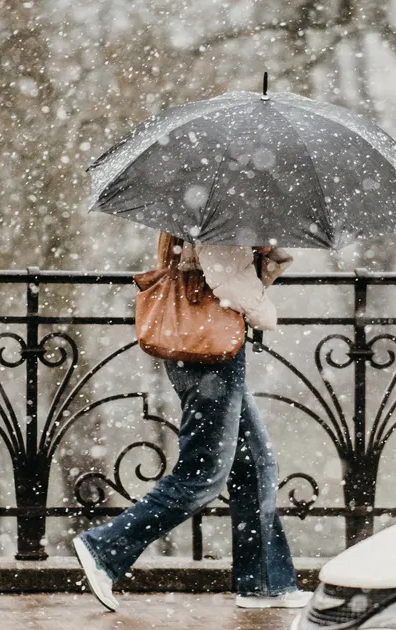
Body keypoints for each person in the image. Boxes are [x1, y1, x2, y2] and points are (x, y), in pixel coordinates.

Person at [72, 232, 310, 611]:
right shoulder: (224, 210)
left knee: (254, 464)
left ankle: (265, 583)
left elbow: (220, 269)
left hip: (205, 341)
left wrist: (264, 254)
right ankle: (105, 548)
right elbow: (227, 280)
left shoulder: (216, 204)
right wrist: (265, 310)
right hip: (209, 347)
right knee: (203, 474)